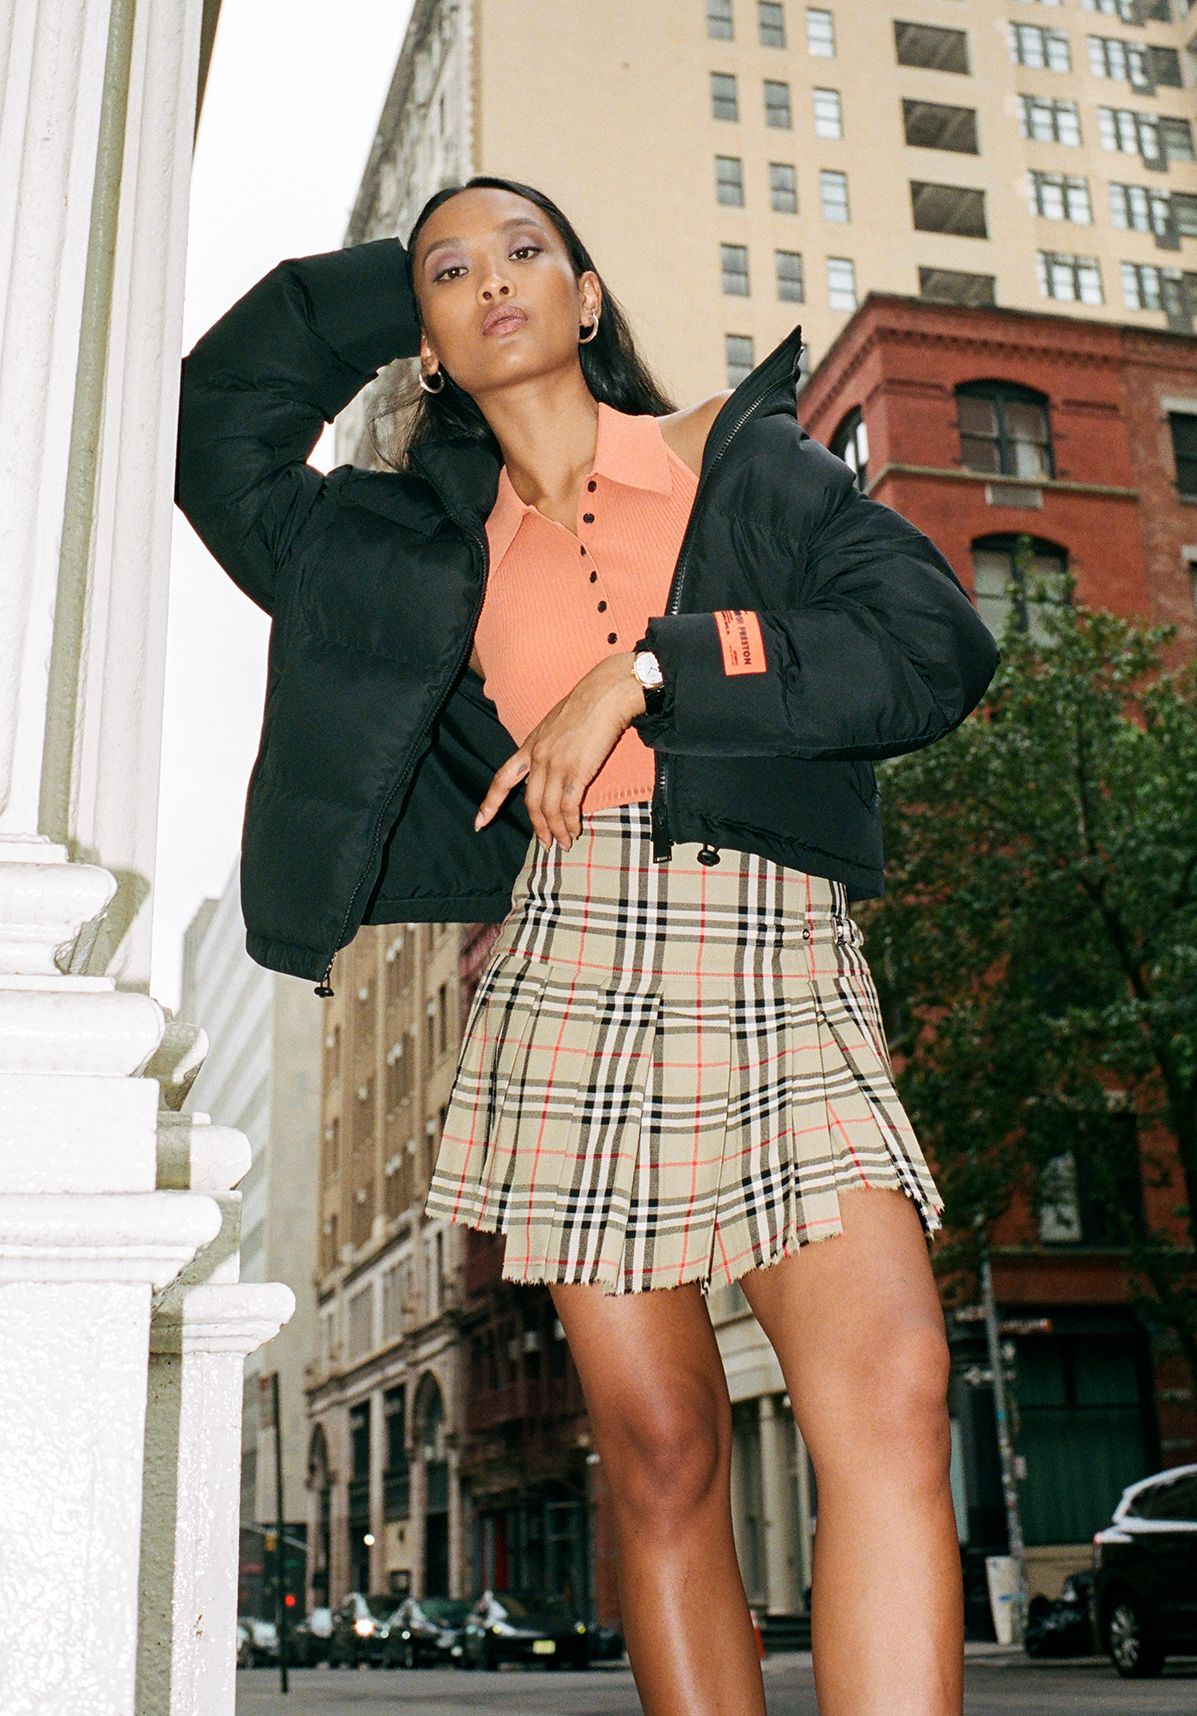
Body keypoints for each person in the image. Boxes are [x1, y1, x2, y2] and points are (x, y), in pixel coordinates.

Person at [176, 178, 998, 1716]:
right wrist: (396, 279)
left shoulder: (742, 466)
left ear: (592, 295)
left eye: (526, 253)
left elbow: (936, 645)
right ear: (418, 338)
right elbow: (215, 420)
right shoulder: (396, 548)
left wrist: (649, 673)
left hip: (774, 946)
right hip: (575, 973)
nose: (492, 282)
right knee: (667, 1454)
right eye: (451, 273)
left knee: (892, 1395)